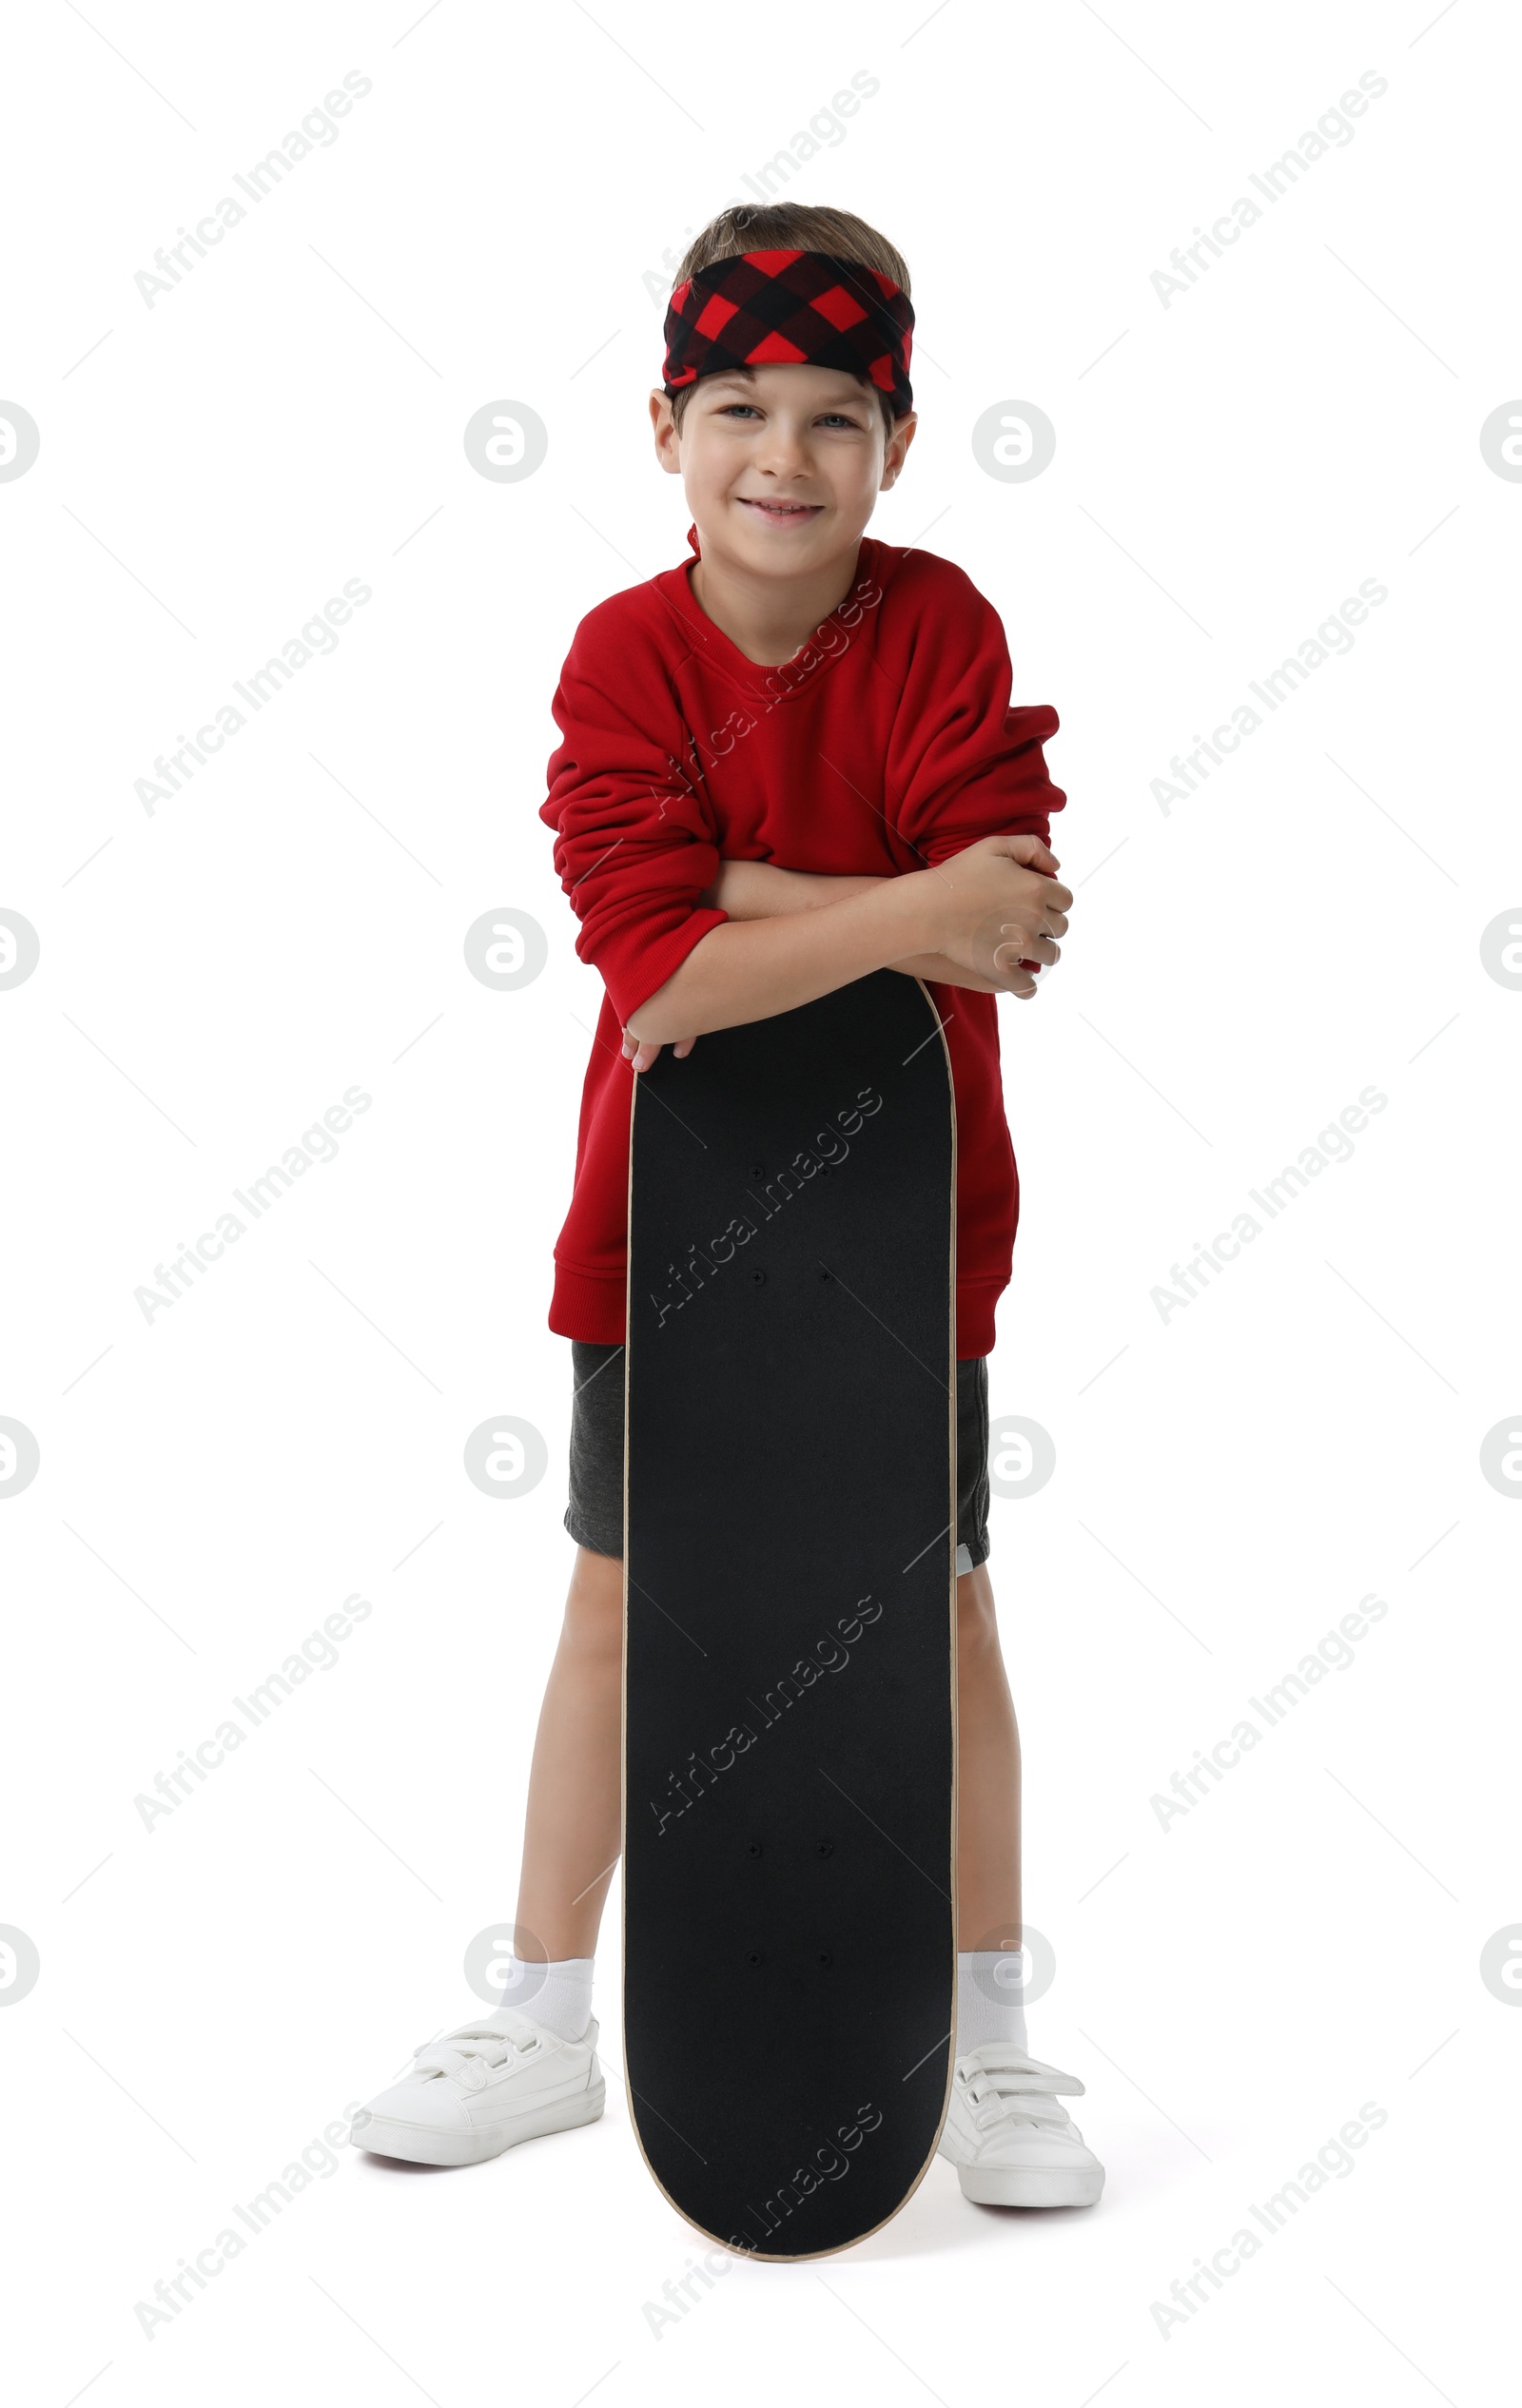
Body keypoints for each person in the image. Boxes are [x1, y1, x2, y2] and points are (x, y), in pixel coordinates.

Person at [351, 202, 1103, 2215]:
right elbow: (653, 975)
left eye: (838, 416)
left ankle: (995, 2039)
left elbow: (1003, 919)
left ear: (900, 442)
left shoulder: (937, 627)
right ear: (666, 426)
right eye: (740, 408)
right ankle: (536, 2018)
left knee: (934, 1616)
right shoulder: (620, 652)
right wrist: (897, 912)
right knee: (618, 1603)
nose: (787, 455)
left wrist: (762, 902)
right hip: (660, 1240)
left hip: (903, 1232)